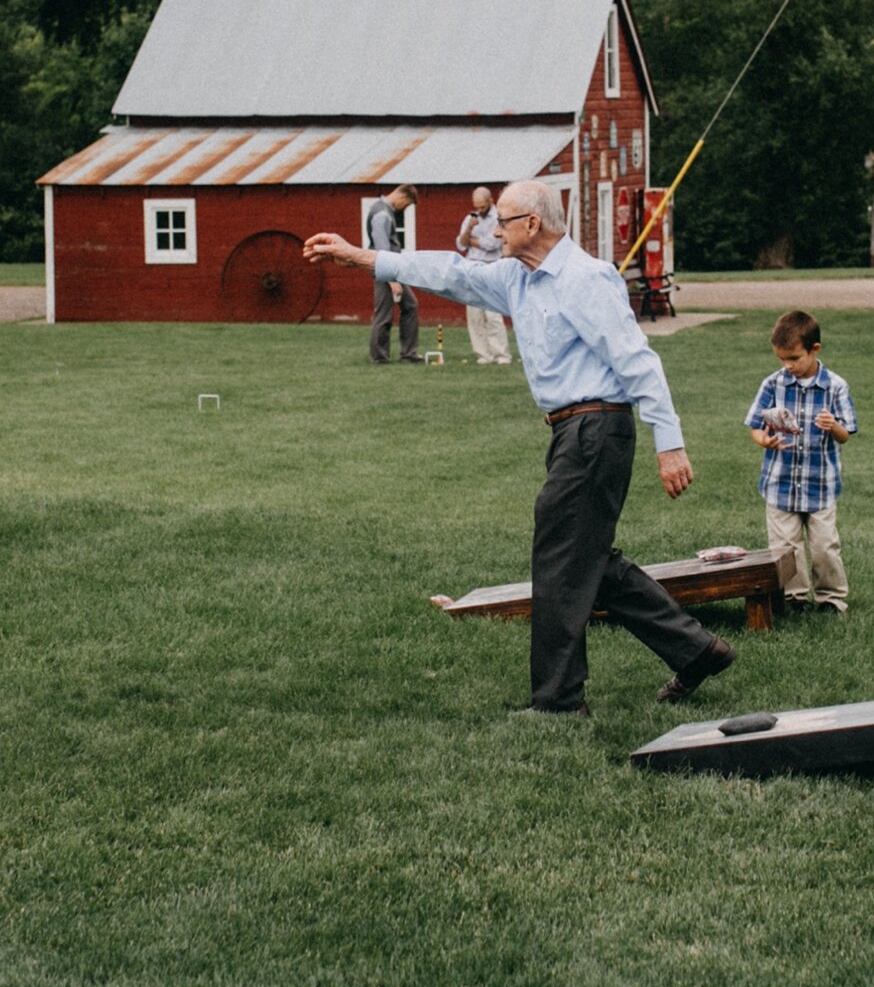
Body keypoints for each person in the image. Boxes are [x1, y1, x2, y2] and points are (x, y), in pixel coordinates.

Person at [305, 180, 735, 715]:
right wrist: (363, 258)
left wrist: (669, 443)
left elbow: (638, 361)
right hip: (570, 433)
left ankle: (558, 701)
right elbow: (450, 272)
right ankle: (697, 650)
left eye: (502, 221)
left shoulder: (586, 278)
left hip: (598, 428)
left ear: (532, 224)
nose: (492, 230)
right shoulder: (516, 278)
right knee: (587, 559)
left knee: (559, 558)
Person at [745, 310, 856, 612]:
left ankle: (831, 598)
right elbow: (755, 425)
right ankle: (793, 598)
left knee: (824, 547)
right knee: (785, 547)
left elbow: (846, 434)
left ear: (814, 349)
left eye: (794, 358)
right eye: (781, 359)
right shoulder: (773, 384)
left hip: (820, 485)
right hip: (779, 483)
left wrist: (834, 427)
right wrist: (763, 440)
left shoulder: (835, 387)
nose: (788, 366)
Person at [454, 186, 514, 365]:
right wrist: (469, 230)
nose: (479, 210)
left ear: (490, 202)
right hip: (471, 266)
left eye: (482, 207)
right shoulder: (470, 218)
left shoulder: (498, 218)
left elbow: (492, 245)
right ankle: (483, 355)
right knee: (474, 315)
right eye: (476, 207)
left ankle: (501, 355)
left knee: (493, 314)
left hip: (491, 266)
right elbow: (460, 244)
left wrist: (472, 241)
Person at [365, 183, 420, 364]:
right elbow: (382, 251)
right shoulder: (382, 214)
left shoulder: (385, 211)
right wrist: (392, 281)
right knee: (383, 314)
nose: (404, 209)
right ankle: (379, 357)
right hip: (384, 270)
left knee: (410, 306)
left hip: (393, 269)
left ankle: (408, 354)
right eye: (407, 204)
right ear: (402, 196)